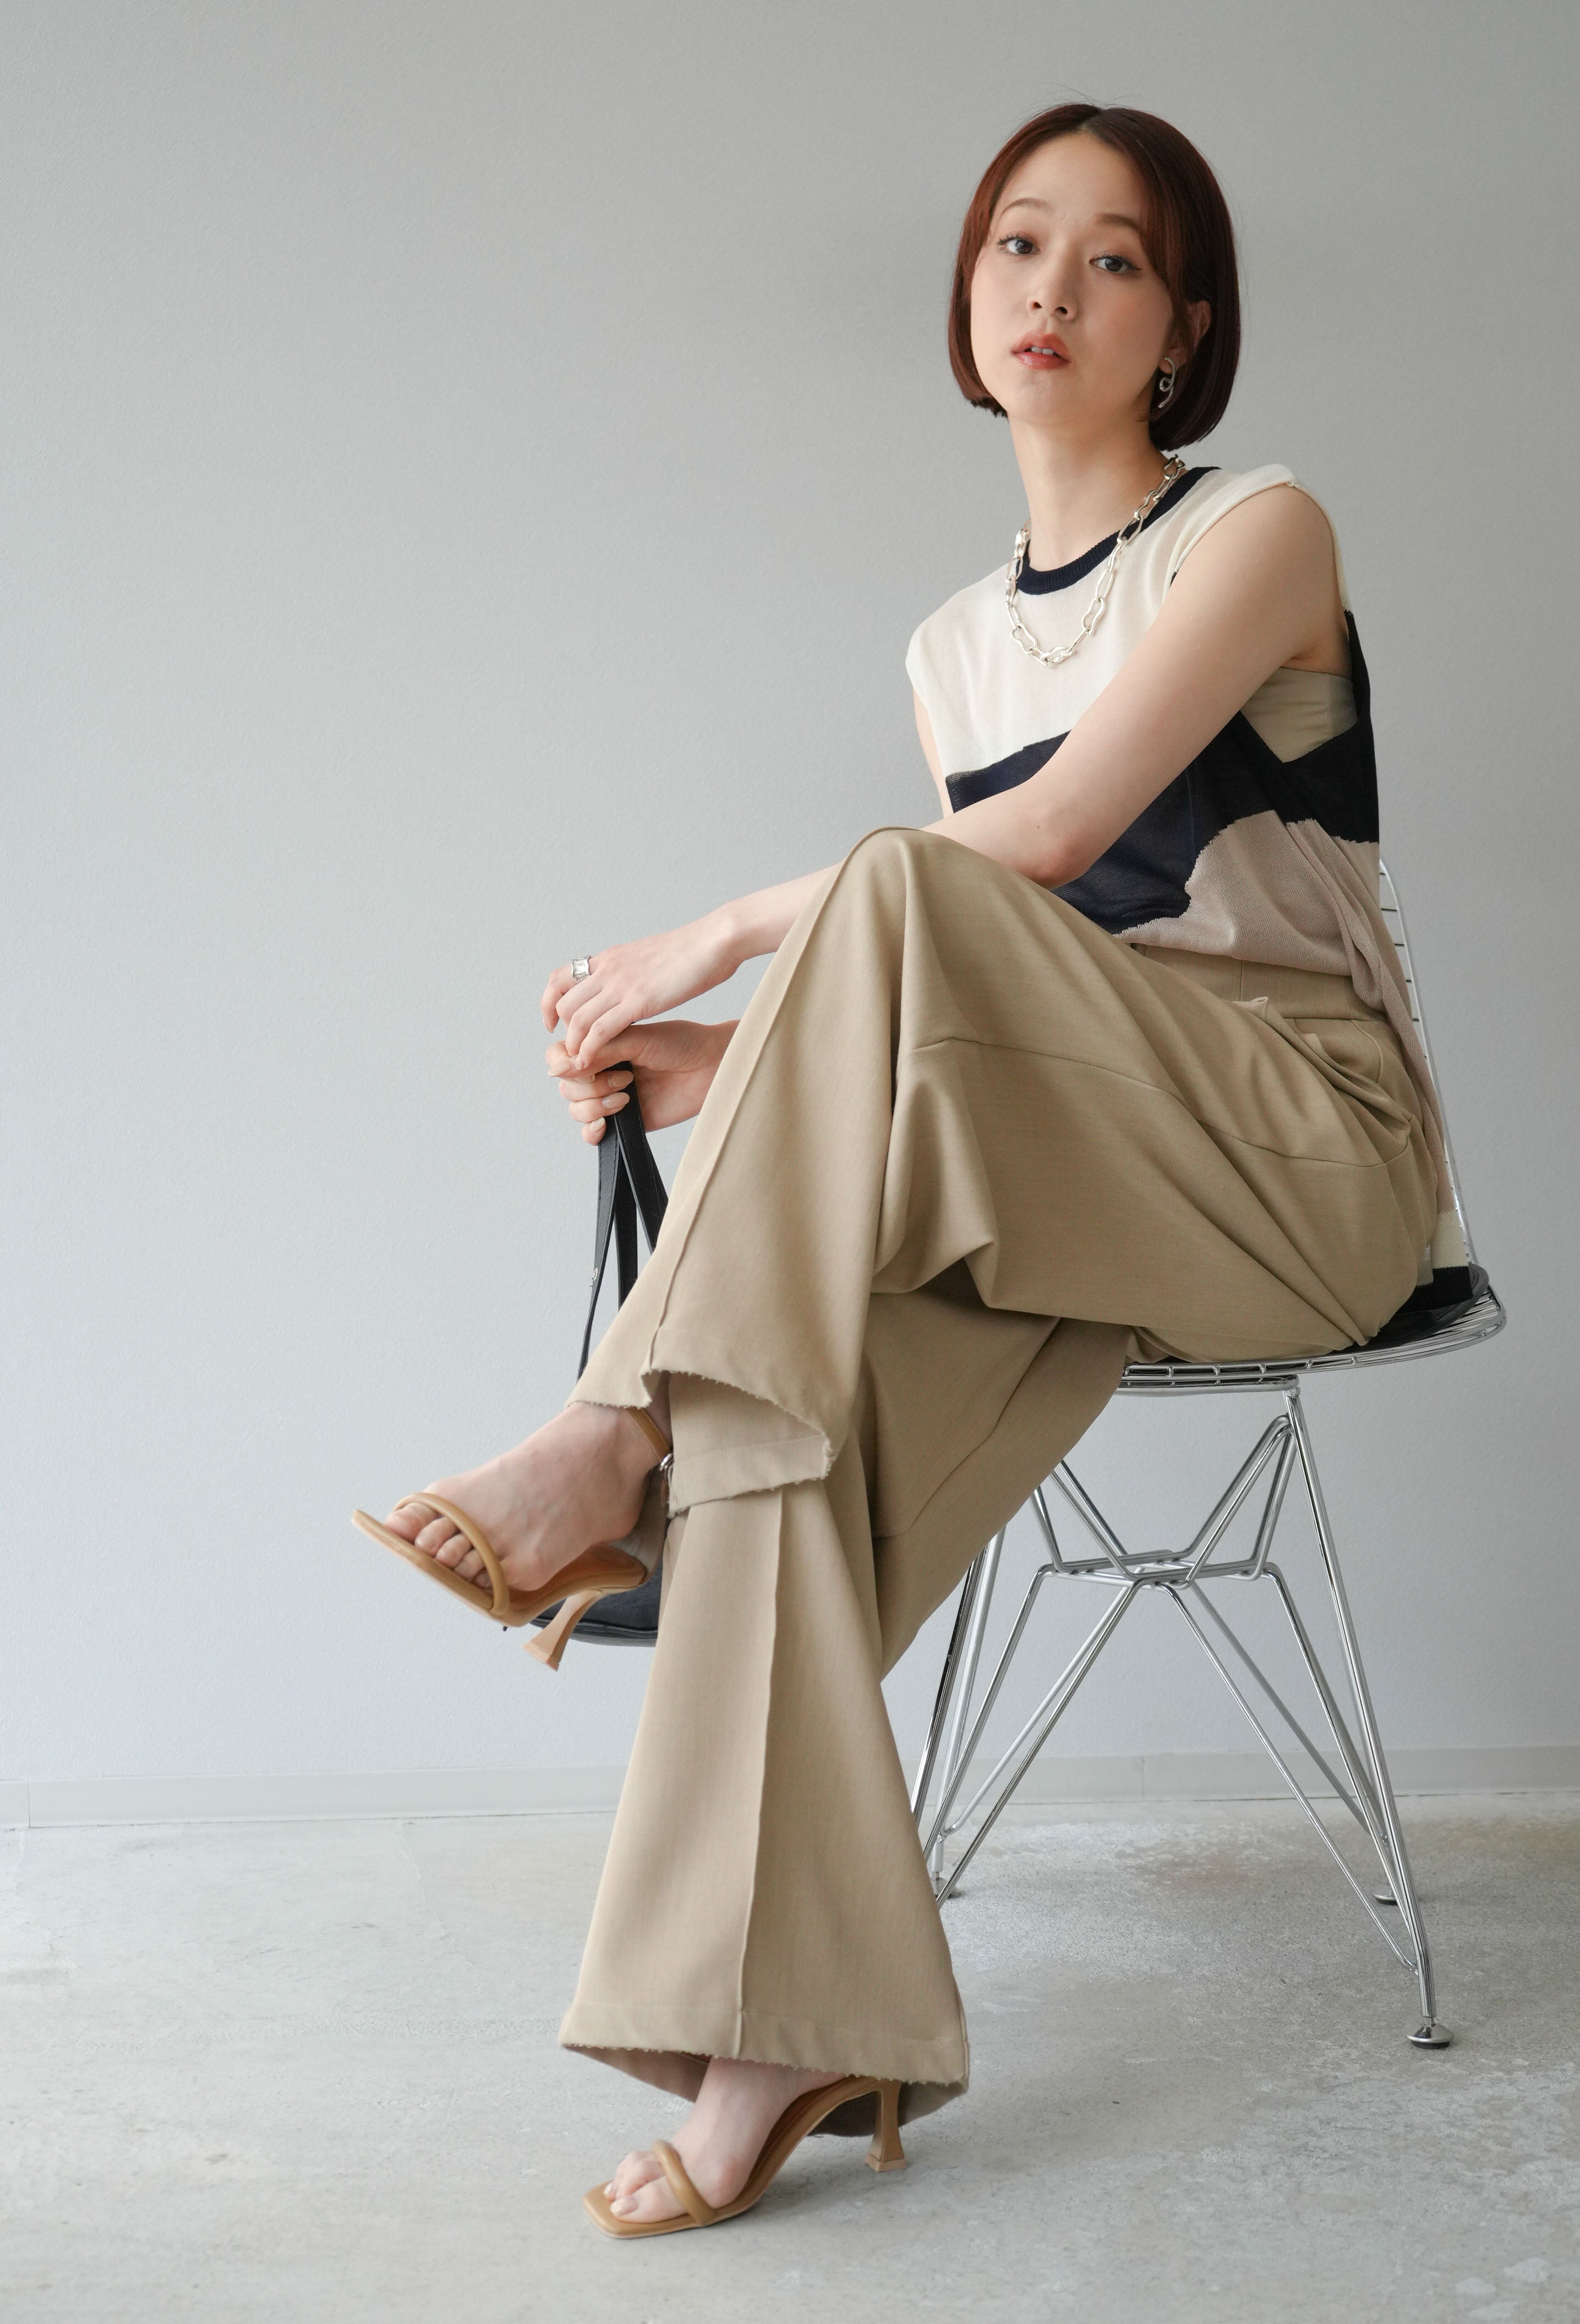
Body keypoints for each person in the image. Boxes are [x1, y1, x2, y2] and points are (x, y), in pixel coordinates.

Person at [354, 100, 1459, 2239]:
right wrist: (706, 1074)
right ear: (968, 298)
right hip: (1079, 1167)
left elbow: (1037, 852)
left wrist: (712, 939)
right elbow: (988, 981)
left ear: (1183, 326)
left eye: (1114, 258)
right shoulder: (956, 649)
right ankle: (780, 2039)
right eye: (1017, 245)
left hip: (1307, 1160)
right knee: (775, 1419)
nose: (1054, 289)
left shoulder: (1260, 532)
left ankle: (602, 1434)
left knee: (892, 889)